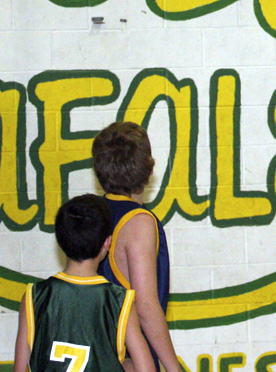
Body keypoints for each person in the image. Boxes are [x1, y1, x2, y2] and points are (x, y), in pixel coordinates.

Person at [13, 194, 155, 372]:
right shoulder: (119, 301)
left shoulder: (33, 297)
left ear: (60, 240)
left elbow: (19, 368)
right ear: (107, 242)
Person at [92, 122, 179, 372]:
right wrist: (173, 367)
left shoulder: (92, 212)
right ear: (149, 170)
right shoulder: (139, 222)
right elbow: (146, 306)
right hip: (129, 358)